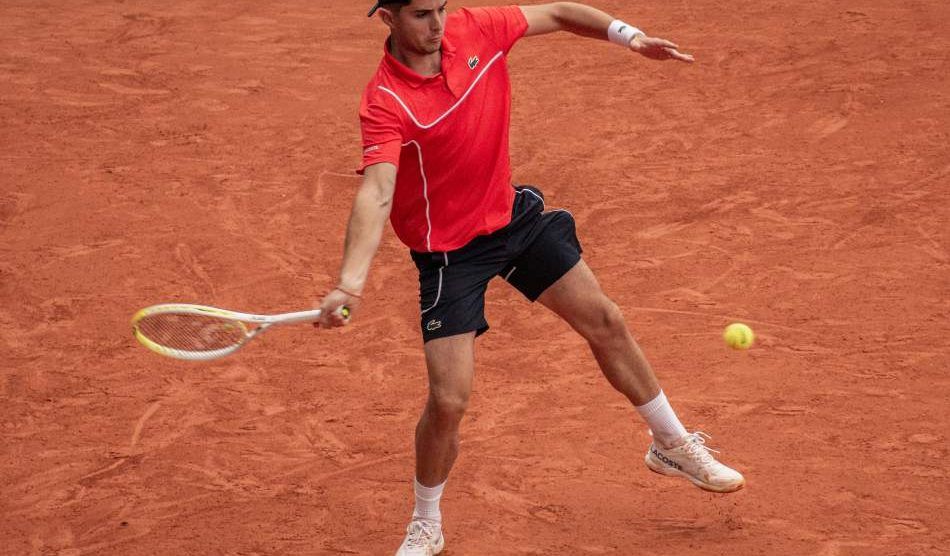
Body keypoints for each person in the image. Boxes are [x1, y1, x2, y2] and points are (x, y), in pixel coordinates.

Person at [317, 2, 744, 554]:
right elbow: (376, 191)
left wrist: (630, 37)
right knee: (449, 401)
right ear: (388, 17)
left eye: (442, 8)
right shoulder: (387, 100)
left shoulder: (476, 28)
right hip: (450, 256)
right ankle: (426, 521)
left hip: (510, 219)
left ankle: (671, 443)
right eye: (422, 14)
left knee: (605, 321)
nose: (438, 23)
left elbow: (562, 13)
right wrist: (350, 283)